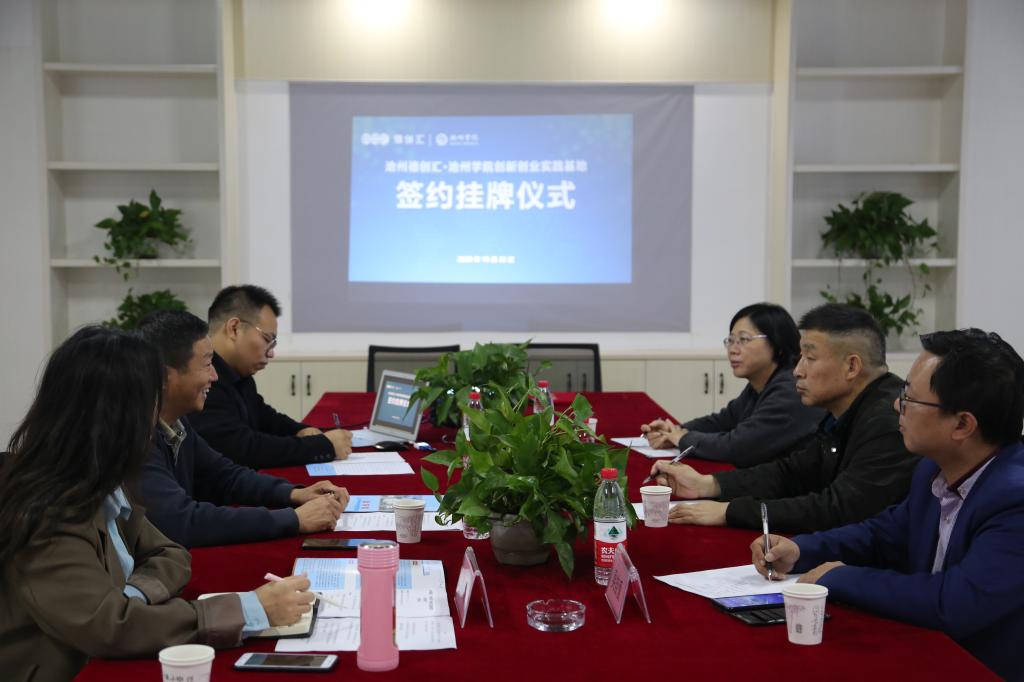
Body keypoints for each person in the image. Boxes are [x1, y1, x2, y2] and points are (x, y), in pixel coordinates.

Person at [0, 327, 314, 682]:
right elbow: (111, 627)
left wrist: (132, 595)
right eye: (150, 403)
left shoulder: (98, 479)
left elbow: (171, 553)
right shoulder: (47, 510)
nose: (154, 420)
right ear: (117, 415)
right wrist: (249, 609)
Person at [751, 329, 1024, 681]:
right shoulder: (932, 469)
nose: (897, 405)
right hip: (928, 651)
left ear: (962, 424)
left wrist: (840, 577)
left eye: (909, 397)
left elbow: (953, 604)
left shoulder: (1015, 500)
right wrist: (801, 550)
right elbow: (885, 534)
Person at [651, 303, 918, 532]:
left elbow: (836, 509)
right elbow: (791, 472)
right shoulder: (845, 410)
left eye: (810, 358)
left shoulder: (890, 421)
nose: (797, 371)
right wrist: (708, 484)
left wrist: (731, 511)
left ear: (851, 366)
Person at [137, 310, 348, 547]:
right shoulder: (134, 437)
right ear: (165, 376)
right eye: (206, 364)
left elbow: (227, 476)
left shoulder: (177, 421)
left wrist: (294, 493)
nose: (214, 376)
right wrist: (294, 519)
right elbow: (183, 521)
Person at [640, 302, 824, 467]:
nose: (733, 350)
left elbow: (738, 446)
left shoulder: (791, 390)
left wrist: (682, 438)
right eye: (730, 340)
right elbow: (722, 421)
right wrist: (675, 430)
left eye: (743, 340)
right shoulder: (761, 384)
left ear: (777, 343)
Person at [188, 284, 352, 469]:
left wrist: (301, 430)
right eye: (267, 339)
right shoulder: (204, 380)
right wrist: (322, 446)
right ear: (234, 329)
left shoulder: (238, 373)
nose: (271, 353)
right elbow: (244, 449)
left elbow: (264, 416)